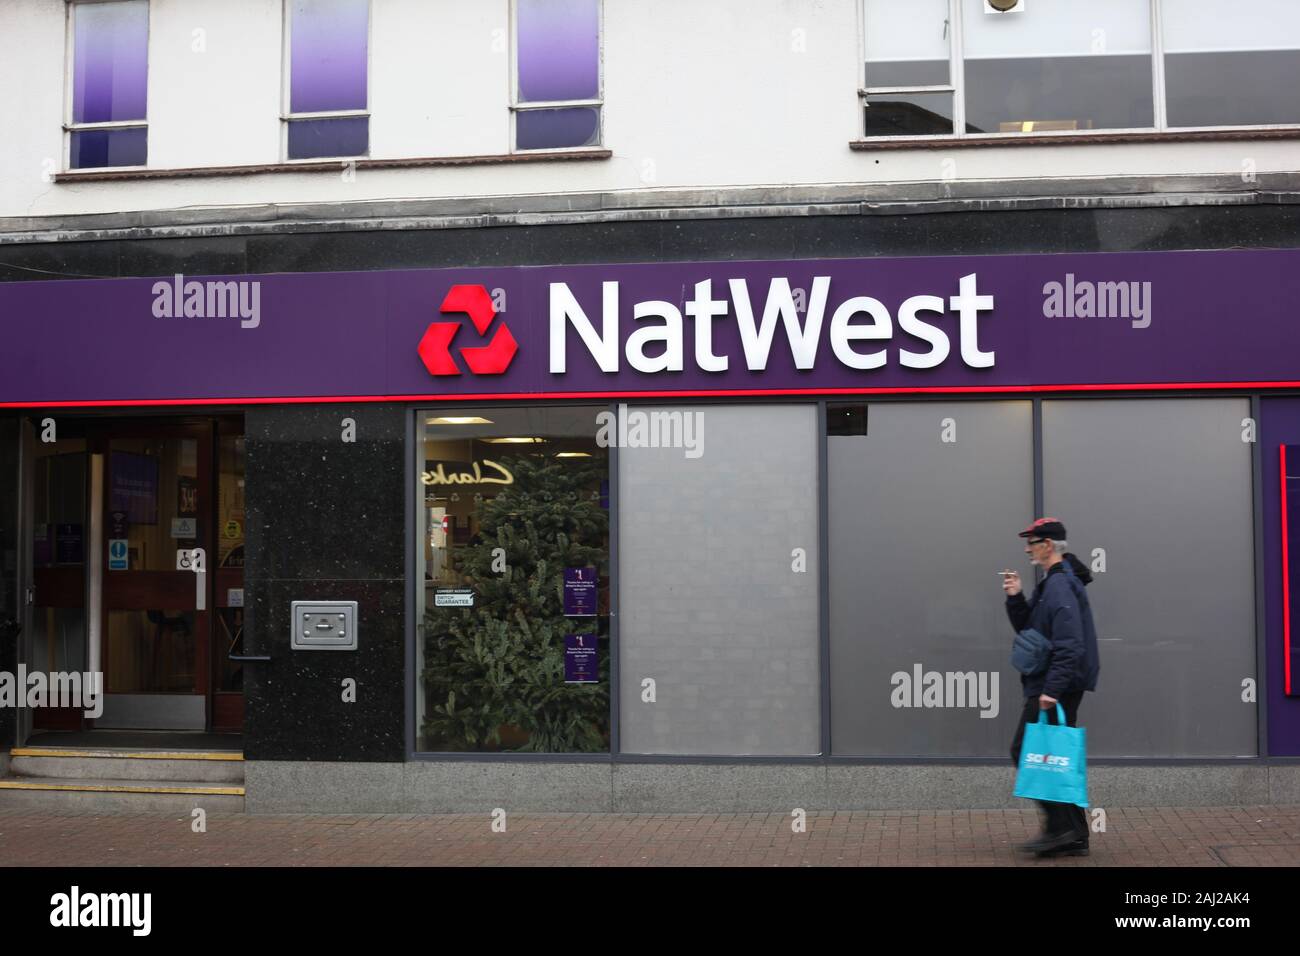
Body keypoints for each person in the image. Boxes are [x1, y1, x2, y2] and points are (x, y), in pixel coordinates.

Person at [1001, 517, 1100, 857]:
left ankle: (1060, 828)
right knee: (1056, 757)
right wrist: (1016, 598)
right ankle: (1075, 835)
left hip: (1054, 684)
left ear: (1047, 546)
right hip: (1055, 682)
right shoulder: (1053, 583)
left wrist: (1051, 690)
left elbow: (1071, 645)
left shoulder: (1059, 585)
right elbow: (1031, 631)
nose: (1027, 548)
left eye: (1032, 541)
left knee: (1026, 750)